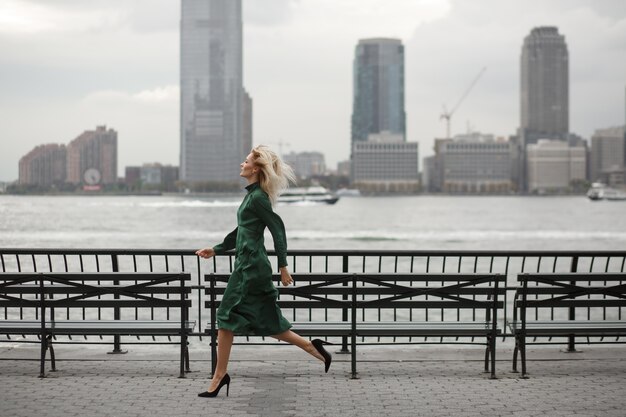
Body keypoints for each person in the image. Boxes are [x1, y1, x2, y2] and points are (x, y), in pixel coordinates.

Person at [196, 145, 332, 398]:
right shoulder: (251, 196)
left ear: (256, 168)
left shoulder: (258, 198)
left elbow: (278, 230)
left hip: (250, 267)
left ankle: (219, 376)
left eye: (245, 161)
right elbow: (242, 232)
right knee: (266, 320)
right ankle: (312, 347)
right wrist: (215, 249)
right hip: (248, 264)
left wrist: (283, 266)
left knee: (225, 317)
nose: (241, 164)